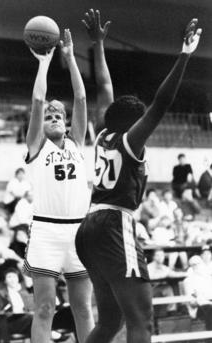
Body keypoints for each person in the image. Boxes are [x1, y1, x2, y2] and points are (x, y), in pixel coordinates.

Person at [75, 17, 201, 343]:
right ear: (134, 124)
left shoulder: (104, 135)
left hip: (89, 228)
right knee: (142, 320)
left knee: (109, 322)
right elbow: (161, 104)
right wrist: (185, 54)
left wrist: (98, 44)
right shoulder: (131, 141)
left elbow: (104, 88)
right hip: (115, 224)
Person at [23, 27, 94, 343]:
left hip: (79, 232)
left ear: (66, 123)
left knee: (83, 307)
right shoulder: (36, 144)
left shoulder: (78, 142)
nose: (52, 116)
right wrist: (44, 61)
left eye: (58, 114)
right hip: (47, 232)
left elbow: (80, 97)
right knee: (45, 309)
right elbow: (38, 99)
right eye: (49, 114)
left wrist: (70, 57)